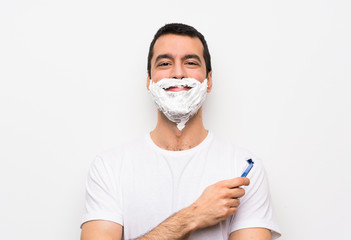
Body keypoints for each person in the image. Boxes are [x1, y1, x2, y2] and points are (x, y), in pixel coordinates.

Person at [80, 23, 281, 240]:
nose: (178, 73)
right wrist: (193, 216)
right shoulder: (109, 168)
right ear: (149, 81)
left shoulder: (244, 169)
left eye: (191, 62)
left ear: (209, 80)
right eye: (165, 63)